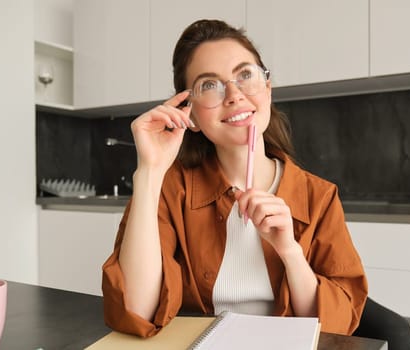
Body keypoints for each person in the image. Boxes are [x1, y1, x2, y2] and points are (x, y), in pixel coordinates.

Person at [101, 19, 367, 338]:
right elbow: (135, 312)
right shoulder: (170, 189)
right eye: (209, 84)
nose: (234, 94)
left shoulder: (319, 196)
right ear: (191, 114)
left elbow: (337, 325)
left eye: (245, 75)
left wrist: (290, 252)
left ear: (267, 88)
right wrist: (149, 172)